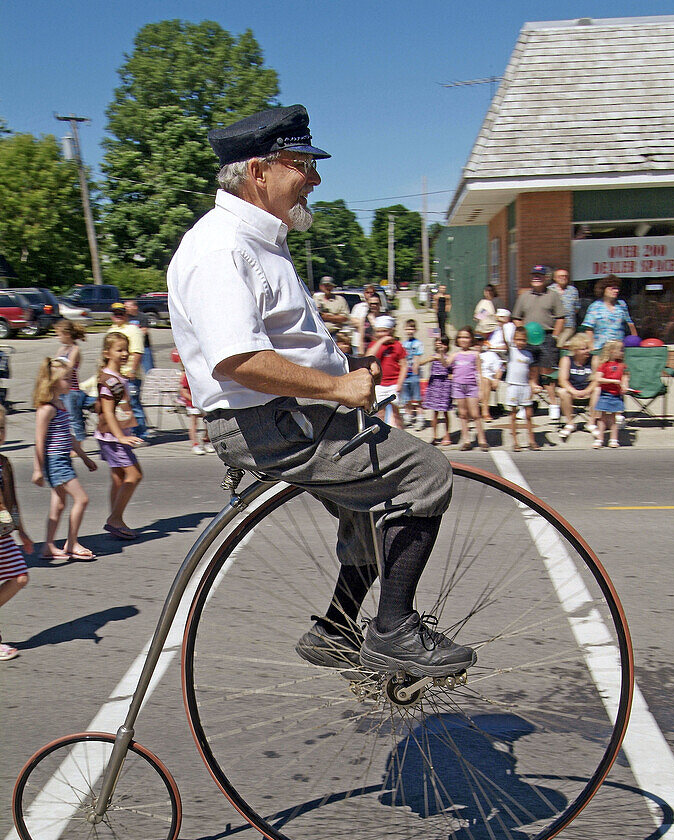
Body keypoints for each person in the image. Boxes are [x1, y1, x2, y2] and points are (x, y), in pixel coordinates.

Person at [167, 103, 474, 677]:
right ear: (258, 172)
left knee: (369, 506)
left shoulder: (262, 240)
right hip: (273, 423)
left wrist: (336, 364)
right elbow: (238, 360)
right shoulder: (219, 248)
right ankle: (393, 631)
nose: (315, 177)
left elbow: (276, 340)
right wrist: (335, 385)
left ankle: (335, 629)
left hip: (292, 415)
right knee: (425, 474)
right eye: (302, 162)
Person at [31, 359, 98, 562]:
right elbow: (39, 441)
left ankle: (48, 546)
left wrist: (85, 458)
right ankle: (72, 543)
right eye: (67, 379)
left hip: (63, 459)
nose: (71, 383)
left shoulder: (60, 404)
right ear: (53, 382)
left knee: (59, 504)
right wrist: (37, 469)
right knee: (82, 499)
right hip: (55, 461)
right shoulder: (47, 409)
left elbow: (68, 437)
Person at [95, 331, 145, 539]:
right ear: (107, 353)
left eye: (126, 349)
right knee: (134, 475)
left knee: (118, 478)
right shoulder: (108, 380)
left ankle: (116, 520)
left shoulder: (117, 377)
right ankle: (114, 519)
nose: (124, 353)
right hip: (113, 437)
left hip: (113, 436)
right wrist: (121, 437)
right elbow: (107, 411)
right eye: (119, 350)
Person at [0, 404, 32, 660]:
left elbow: (12, 501)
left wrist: (22, 530)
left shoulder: (4, 463)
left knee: (20, 577)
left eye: (1, 428)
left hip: (4, 534)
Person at [512, 265, 565, 421]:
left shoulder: (553, 295)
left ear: (545, 278)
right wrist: (521, 332)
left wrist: (555, 336)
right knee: (529, 372)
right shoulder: (524, 296)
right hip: (528, 338)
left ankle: (553, 405)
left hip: (546, 336)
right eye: (534, 275)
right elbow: (516, 317)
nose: (536, 278)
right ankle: (526, 405)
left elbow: (560, 317)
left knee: (547, 372)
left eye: (540, 275)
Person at [108, 303, 151, 441]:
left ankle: (141, 434)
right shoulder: (111, 330)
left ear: (126, 314)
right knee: (119, 406)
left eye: (121, 313)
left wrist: (132, 370)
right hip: (114, 375)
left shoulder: (133, 330)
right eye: (115, 313)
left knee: (133, 404)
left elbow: (137, 352)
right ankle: (126, 433)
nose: (118, 315)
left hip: (128, 375)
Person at [448, 326, 488, 452]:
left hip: (471, 386)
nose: (463, 340)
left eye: (466, 337)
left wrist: (481, 390)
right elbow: (445, 364)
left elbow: (479, 373)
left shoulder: (475, 355)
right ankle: (466, 440)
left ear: (471, 339)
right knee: (463, 414)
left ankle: (482, 439)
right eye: (460, 337)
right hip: (458, 386)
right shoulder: (455, 355)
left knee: (475, 414)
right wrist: (439, 353)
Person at [54, 320, 95, 441]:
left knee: (73, 417)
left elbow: (70, 367)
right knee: (61, 416)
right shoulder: (62, 349)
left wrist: (58, 368)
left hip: (71, 389)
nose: (58, 337)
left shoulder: (75, 349)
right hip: (60, 387)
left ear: (67, 334)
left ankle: (79, 443)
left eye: (59, 334)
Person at [367, 316, 408, 428]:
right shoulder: (374, 345)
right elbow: (369, 356)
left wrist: (400, 383)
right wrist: (380, 342)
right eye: (379, 331)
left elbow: (404, 366)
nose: (381, 333)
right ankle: (382, 433)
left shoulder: (397, 346)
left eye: (384, 331)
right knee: (380, 412)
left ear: (391, 331)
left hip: (394, 383)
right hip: (379, 385)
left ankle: (401, 433)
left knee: (396, 412)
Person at [556, 333, 598, 440]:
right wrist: (574, 391)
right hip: (572, 392)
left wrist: (587, 391)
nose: (587, 351)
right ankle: (570, 423)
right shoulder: (566, 360)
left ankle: (591, 422)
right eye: (583, 349)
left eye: (588, 348)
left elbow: (597, 380)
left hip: (589, 392)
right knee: (562, 391)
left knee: (598, 389)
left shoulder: (594, 359)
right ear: (575, 350)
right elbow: (563, 380)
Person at [504, 326, 540, 452]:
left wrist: (533, 385)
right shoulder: (511, 351)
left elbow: (532, 372)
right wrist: (502, 325)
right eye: (518, 339)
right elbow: (505, 342)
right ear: (514, 339)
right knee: (513, 415)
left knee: (528, 414)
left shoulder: (528, 354)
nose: (521, 342)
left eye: (523, 340)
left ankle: (531, 440)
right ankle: (515, 441)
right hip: (513, 385)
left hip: (525, 386)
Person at [581, 276, 637, 354]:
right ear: (604, 289)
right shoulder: (595, 306)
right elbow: (589, 329)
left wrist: (635, 341)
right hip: (600, 348)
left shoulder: (622, 304)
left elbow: (630, 324)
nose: (616, 291)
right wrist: (591, 347)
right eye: (612, 288)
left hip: (618, 350)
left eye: (617, 288)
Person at [593, 339, 629, 448]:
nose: (623, 353)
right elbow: (598, 379)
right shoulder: (604, 365)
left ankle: (614, 439)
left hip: (616, 394)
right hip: (605, 393)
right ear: (612, 351)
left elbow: (624, 377)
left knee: (613, 418)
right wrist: (613, 381)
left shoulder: (622, 365)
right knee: (602, 417)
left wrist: (624, 386)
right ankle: (600, 439)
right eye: (621, 350)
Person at [480, 308, 514, 421]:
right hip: (486, 353)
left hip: (497, 356)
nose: (498, 320)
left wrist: (491, 347)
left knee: (485, 380)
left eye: (500, 318)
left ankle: (485, 411)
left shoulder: (508, 327)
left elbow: (507, 346)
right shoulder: (496, 328)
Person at [420, 335, 453, 445]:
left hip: (445, 385)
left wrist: (441, 355)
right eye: (438, 343)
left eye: (443, 343)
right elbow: (422, 362)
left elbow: (446, 365)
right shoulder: (433, 356)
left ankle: (447, 435)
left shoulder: (449, 357)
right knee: (434, 412)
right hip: (434, 384)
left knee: (445, 412)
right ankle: (434, 436)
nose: (440, 345)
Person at [179, 370, 215, 454]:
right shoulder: (188, 375)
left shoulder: (205, 374)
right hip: (193, 403)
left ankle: (207, 440)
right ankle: (194, 444)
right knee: (194, 423)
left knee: (208, 422)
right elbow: (183, 392)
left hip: (204, 402)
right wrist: (194, 400)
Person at [401, 318, 424, 428]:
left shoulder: (418, 344)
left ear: (415, 330)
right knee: (407, 399)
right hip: (405, 375)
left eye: (412, 328)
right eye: (407, 328)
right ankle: (408, 416)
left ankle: (420, 418)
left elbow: (417, 359)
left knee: (417, 398)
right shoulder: (403, 344)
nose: (409, 331)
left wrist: (415, 372)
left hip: (414, 375)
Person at [550, 268, 580, 349]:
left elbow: (577, 307)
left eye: (565, 276)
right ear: (555, 278)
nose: (563, 278)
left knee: (560, 344)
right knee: (556, 345)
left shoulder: (573, 290)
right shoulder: (549, 290)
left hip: (569, 325)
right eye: (560, 276)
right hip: (553, 326)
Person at [124, 298, 155, 374]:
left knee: (149, 369)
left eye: (127, 307)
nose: (125, 309)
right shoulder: (126, 317)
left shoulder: (142, 317)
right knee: (130, 369)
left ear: (135, 307)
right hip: (131, 347)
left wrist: (131, 333)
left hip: (144, 347)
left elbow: (144, 331)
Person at [349, 284, 375, 353]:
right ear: (364, 294)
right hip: (357, 342)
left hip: (373, 343)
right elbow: (352, 321)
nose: (369, 294)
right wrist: (367, 324)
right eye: (367, 292)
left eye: (372, 292)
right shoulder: (358, 307)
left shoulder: (378, 307)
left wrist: (361, 323)